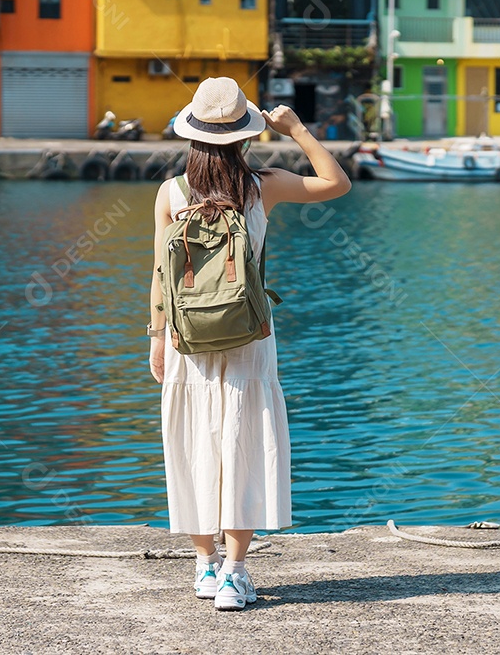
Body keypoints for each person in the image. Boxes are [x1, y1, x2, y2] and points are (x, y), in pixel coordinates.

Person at [147, 76, 351, 610]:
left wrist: (155, 338)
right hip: (250, 336)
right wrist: (296, 128)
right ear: (245, 136)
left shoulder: (170, 193)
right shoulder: (264, 185)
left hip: (185, 335)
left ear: (192, 135)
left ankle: (204, 567)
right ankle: (236, 573)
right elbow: (337, 183)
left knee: (192, 442)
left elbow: (157, 275)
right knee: (242, 440)